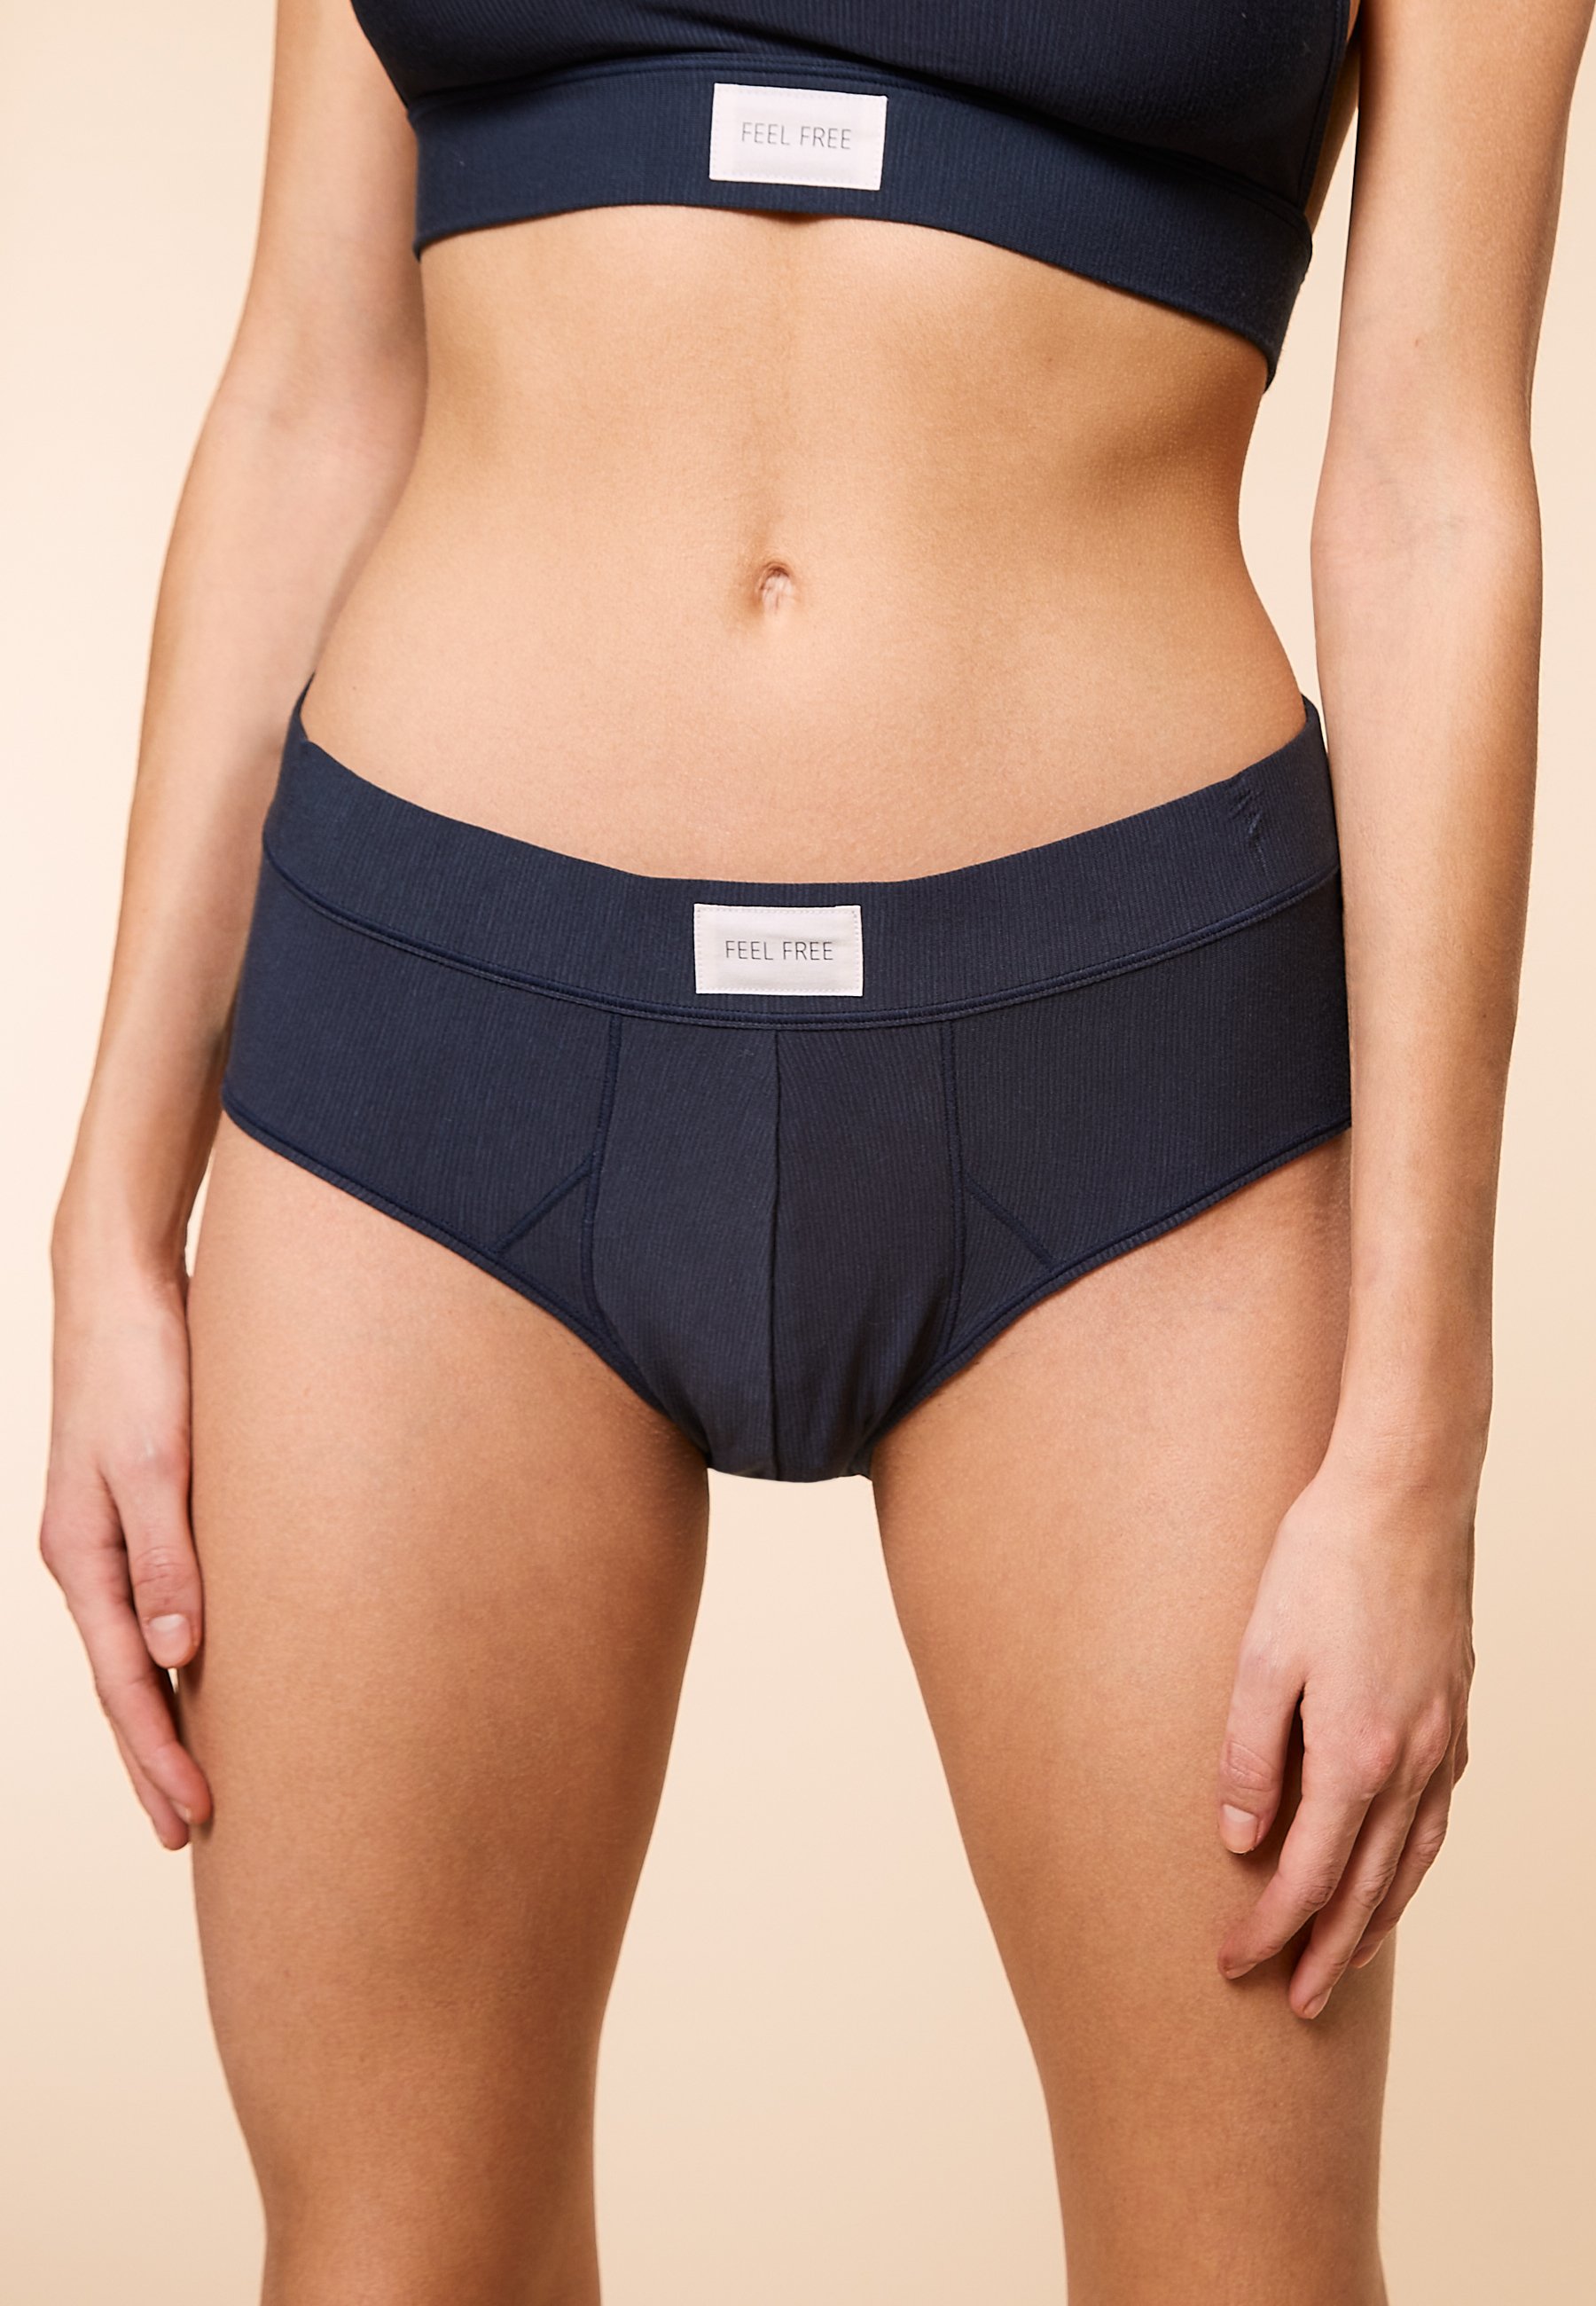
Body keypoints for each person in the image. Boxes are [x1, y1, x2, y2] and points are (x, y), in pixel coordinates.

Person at [41, 2, 1592, 2299]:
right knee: (391, 2262)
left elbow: (1437, 491)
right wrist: (107, 1222)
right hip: (431, 1048)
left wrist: (1415, 1438)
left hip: (1130, 1075)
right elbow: (307, 384)